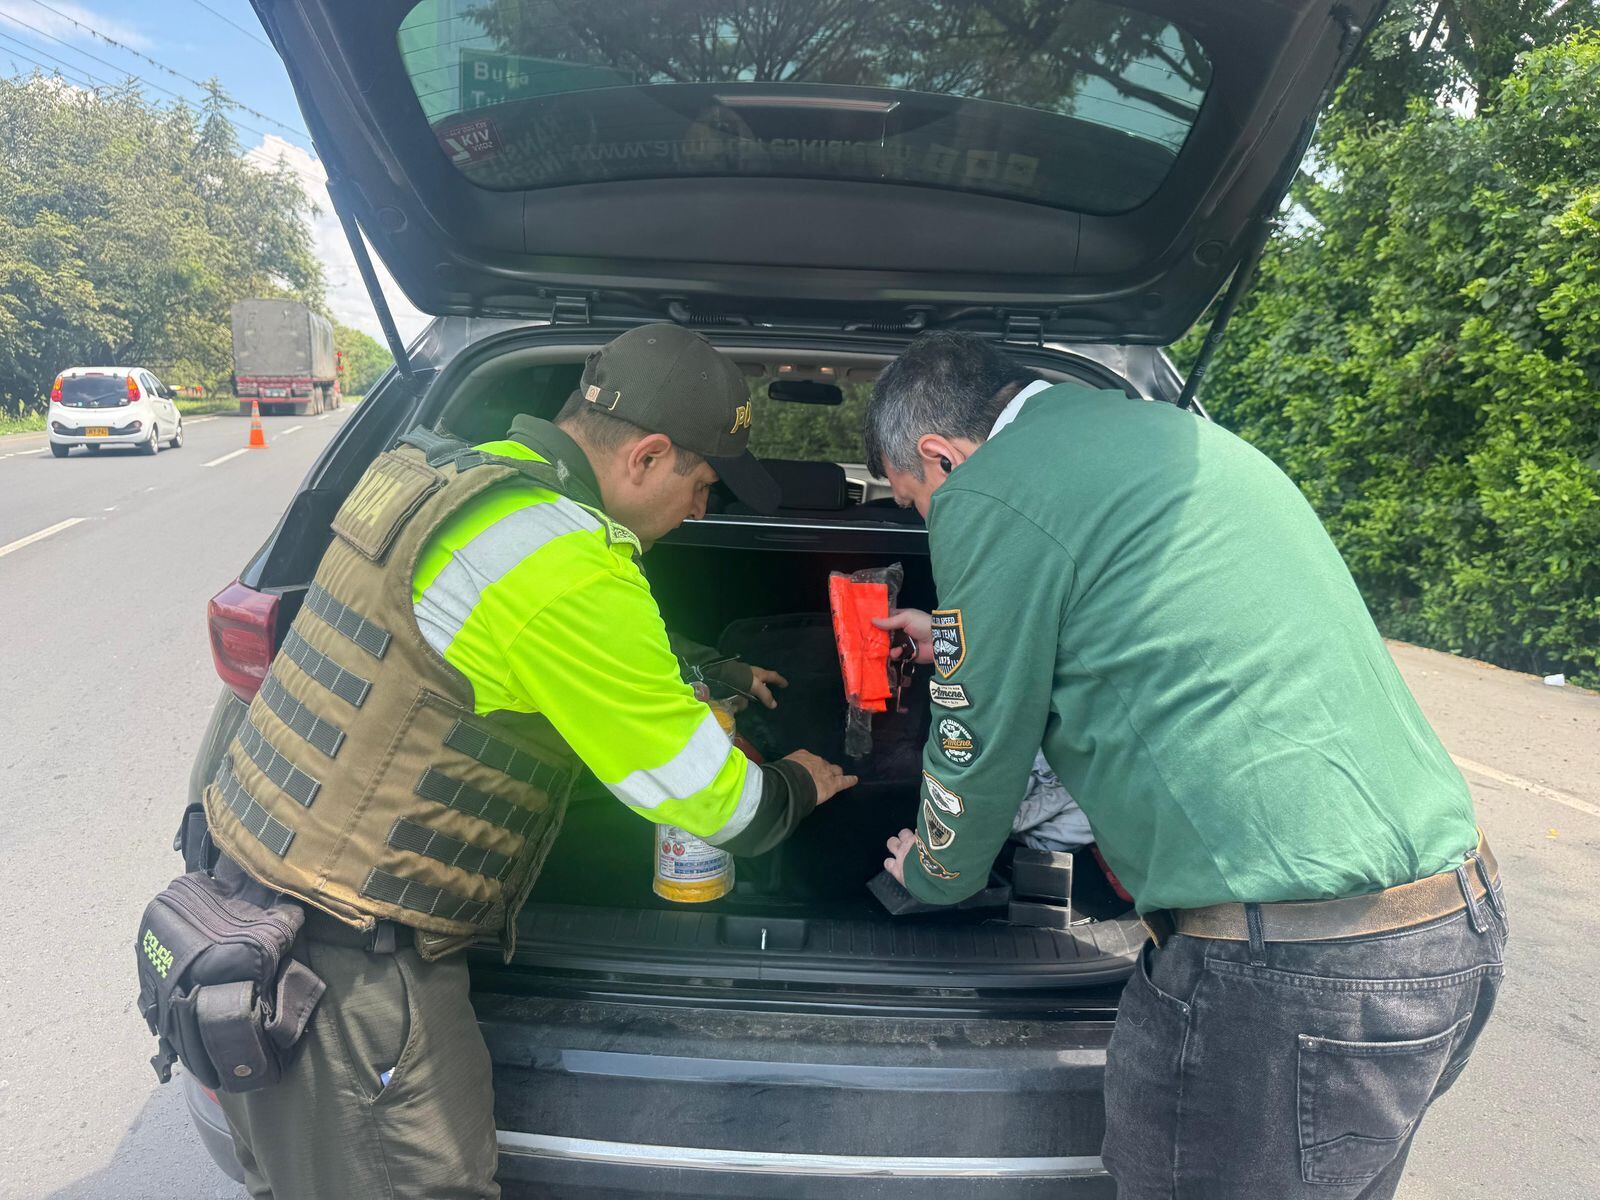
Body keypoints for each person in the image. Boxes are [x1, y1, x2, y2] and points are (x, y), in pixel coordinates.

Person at [205, 323, 857, 1198]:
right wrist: (803, 784)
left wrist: (707, 668)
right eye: (701, 484)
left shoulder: (454, 477)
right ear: (648, 456)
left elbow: (516, 634)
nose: (701, 511)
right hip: (350, 971)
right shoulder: (571, 565)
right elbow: (725, 809)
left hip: (253, 897)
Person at [866, 331, 1505, 1199]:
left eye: (913, 502)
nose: (927, 520)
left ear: (941, 455)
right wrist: (950, 638)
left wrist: (934, 872)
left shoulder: (989, 490)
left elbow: (976, 735)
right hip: (1444, 929)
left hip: (1291, 978)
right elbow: (1125, 625)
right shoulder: (1168, 438)